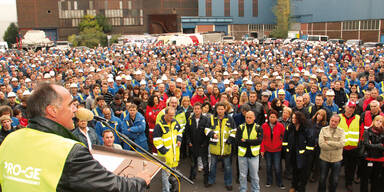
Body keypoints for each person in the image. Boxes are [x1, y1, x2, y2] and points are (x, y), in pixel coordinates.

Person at [0, 83, 149, 191]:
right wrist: (140, 181)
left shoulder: (10, 141)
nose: (75, 110)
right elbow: (113, 187)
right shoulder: (69, 151)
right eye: (71, 105)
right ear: (53, 110)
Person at [205, 102, 236, 191]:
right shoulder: (211, 118)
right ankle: (211, 181)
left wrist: (230, 139)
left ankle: (228, 183)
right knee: (213, 166)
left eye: (222, 109)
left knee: (228, 167)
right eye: (219, 109)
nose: (220, 111)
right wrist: (211, 134)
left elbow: (234, 130)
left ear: (225, 109)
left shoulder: (230, 119)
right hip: (214, 147)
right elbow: (206, 129)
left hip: (226, 148)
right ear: (216, 109)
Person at [283, 111, 315, 192]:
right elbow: (285, 139)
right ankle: (294, 186)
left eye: (295, 118)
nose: (293, 119)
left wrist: (306, 153)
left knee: (303, 174)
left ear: (299, 119)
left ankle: (301, 188)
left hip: (304, 156)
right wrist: (286, 149)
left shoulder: (306, 128)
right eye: (292, 118)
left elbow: (311, 142)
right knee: (295, 172)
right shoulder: (290, 127)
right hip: (293, 154)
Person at [153, 107, 182, 192]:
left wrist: (179, 139)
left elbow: (179, 131)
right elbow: (156, 141)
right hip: (166, 156)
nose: (172, 117)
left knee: (173, 175)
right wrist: (164, 152)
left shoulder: (175, 122)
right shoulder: (159, 125)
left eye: (173, 115)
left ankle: (171, 188)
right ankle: (166, 190)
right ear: (165, 114)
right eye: (170, 115)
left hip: (174, 155)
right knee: (165, 176)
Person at [236, 110, 263, 192]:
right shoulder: (240, 127)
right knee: (242, 175)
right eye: (247, 117)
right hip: (242, 155)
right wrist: (252, 141)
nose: (248, 119)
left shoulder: (258, 127)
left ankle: (255, 190)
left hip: (254, 156)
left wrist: (246, 141)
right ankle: (243, 189)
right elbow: (238, 141)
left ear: (254, 118)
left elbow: (259, 141)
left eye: (250, 117)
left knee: (254, 175)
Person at [318, 114, 345, 192]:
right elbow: (322, 145)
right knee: (322, 179)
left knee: (335, 180)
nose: (333, 123)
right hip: (324, 158)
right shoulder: (323, 130)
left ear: (339, 123)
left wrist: (329, 142)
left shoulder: (342, 131)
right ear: (329, 120)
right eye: (332, 121)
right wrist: (336, 146)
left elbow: (342, 144)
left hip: (336, 160)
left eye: (336, 122)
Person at [185, 103, 210, 186]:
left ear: (201, 109)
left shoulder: (206, 119)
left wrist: (205, 143)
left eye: (198, 108)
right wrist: (189, 142)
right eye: (195, 109)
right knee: (193, 163)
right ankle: (192, 177)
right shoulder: (190, 119)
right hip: (193, 145)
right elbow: (187, 132)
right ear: (193, 110)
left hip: (203, 145)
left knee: (205, 164)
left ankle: (206, 179)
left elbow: (208, 132)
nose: (197, 110)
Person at [338, 101, 361, 192]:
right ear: (345, 107)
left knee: (351, 168)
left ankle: (349, 183)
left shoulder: (358, 118)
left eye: (353, 108)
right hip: (341, 147)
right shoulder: (339, 117)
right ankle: (333, 182)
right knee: (337, 166)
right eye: (349, 107)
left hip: (353, 148)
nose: (351, 109)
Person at [260, 110, 286, 189]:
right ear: (268, 117)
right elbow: (262, 139)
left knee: (277, 167)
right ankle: (269, 181)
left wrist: (281, 145)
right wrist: (262, 149)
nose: (272, 118)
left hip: (277, 150)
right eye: (271, 117)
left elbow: (284, 136)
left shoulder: (280, 126)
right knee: (268, 166)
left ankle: (279, 182)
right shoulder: (264, 126)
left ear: (277, 118)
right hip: (267, 150)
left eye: (274, 117)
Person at [360, 115, 384, 192]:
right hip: (368, 158)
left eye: (380, 121)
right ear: (373, 121)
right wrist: (379, 145)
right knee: (365, 179)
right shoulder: (367, 131)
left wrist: (372, 145)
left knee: (376, 179)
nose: (378, 123)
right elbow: (366, 144)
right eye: (377, 120)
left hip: (380, 159)